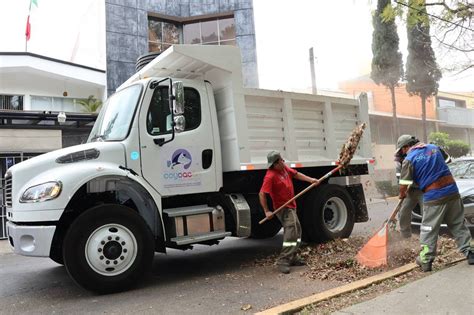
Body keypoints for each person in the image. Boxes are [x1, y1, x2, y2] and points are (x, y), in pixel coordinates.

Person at [397, 135, 474, 271]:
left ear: (405, 147)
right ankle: (470, 252)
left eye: (402, 150)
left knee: (428, 228)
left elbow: (404, 184)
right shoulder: (434, 148)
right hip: (453, 191)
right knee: (457, 224)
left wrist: (402, 194)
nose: (402, 153)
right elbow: (449, 161)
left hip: (434, 196)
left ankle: (426, 260)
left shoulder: (409, 159)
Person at [259, 151, 318, 274]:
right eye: (281, 160)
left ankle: (293, 256)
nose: (283, 161)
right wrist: (267, 211)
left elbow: (296, 174)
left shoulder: (284, 169)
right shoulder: (270, 176)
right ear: (275, 163)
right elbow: (262, 193)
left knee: (297, 230)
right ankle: (283, 260)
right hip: (283, 208)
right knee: (291, 232)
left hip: (291, 205)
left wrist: (311, 180)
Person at [394, 136, 423, 238]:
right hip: (410, 190)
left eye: (403, 148)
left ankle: (428, 239)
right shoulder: (401, 159)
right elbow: (401, 180)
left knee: (426, 214)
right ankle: (405, 236)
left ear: (407, 146)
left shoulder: (421, 153)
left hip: (423, 189)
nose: (402, 151)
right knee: (403, 212)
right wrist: (402, 192)